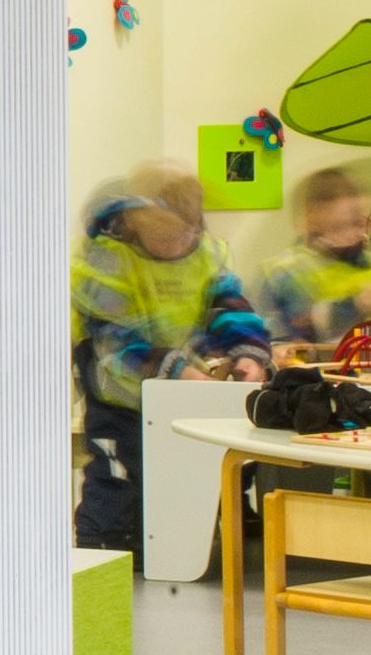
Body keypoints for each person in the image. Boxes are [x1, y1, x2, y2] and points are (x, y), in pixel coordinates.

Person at [73, 166, 265, 552]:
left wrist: (247, 352)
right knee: (118, 470)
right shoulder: (107, 260)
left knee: (196, 456)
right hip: (118, 390)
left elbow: (229, 307)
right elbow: (115, 340)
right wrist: (177, 370)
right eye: (165, 237)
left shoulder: (206, 253)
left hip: (178, 383)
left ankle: (199, 532)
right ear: (135, 222)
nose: (179, 245)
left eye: (187, 235)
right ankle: (106, 544)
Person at [256, 165, 371, 357]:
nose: (351, 235)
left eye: (357, 223)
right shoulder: (284, 273)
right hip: (318, 372)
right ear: (311, 220)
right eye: (338, 227)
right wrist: (356, 304)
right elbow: (281, 338)